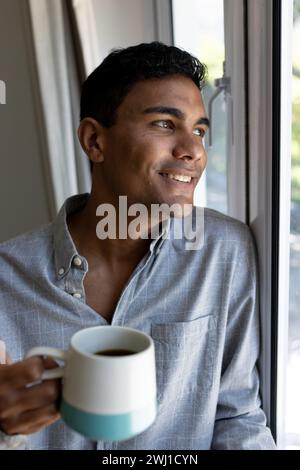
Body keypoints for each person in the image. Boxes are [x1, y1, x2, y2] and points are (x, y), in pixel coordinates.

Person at [0, 42, 276, 450]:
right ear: (95, 141)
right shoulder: (6, 278)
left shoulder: (225, 253)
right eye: (165, 124)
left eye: (199, 130)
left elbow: (236, 417)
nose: (194, 151)